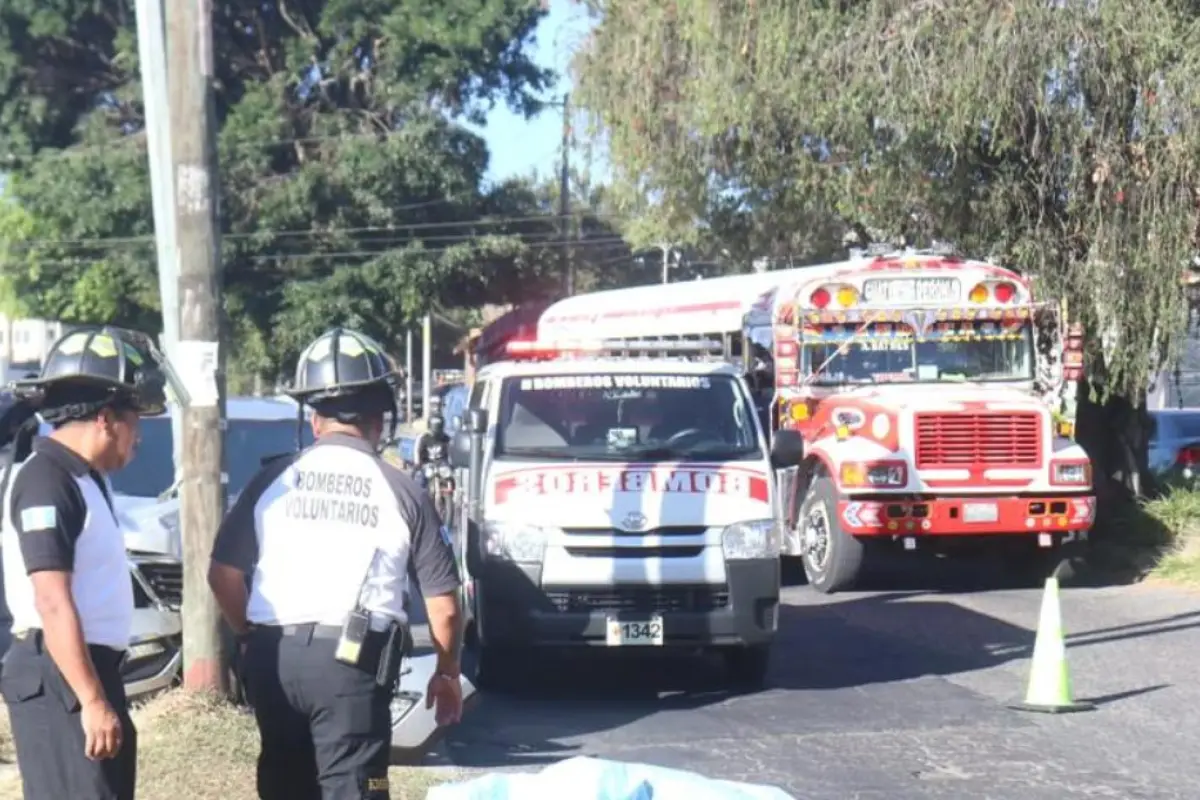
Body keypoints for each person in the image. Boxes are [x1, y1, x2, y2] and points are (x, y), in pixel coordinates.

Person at [207, 327, 463, 800]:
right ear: (380, 418)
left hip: (273, 658)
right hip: (352, 668)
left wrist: (246, 635)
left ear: (315, 418)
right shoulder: (401, 489)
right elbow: (444, 606)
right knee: (359, 788)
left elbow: (222, 575)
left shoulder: (272, 479)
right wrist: (447, 673)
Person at [0, 326, 171, 800]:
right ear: (105, 420)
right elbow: (51, 600)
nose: (138, 437)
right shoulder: (47, 481)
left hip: (84, 668)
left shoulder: (86, 480)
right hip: (59, 675)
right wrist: (91, 699)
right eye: (136, 421)